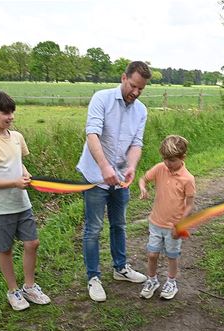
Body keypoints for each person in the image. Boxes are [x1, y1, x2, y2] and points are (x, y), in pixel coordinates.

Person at [76, 61, 152, 302]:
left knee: (119, 224)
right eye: (133, 86)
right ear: (123, 78)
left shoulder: (141, 110)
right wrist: (104, 167)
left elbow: (136, 144)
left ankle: (120, 268)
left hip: (119, 178)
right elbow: (92, 135)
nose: (136, 92)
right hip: (95, 176)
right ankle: (93, 277)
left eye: (141, 89)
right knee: (94, 228)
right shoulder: (102, 99)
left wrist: (131, 167)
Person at [0, 90, 51, 311]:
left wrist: (25, 175)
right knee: (5, 250)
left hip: (21, 202)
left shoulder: (16, 137)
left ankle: (29, 286)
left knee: (32, 243)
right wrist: (14, 183)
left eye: (12, 112)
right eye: (5, 113)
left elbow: (18, 164)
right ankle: (13, 290)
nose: (11, 117)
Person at [138, 135, 196, 300]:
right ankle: (152, 280)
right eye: (165, 159)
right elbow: (143, 178)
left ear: (183, 157)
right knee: (152, 254)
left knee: (172, 256)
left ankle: (171, 282)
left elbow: (190, 204)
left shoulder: (188, 179)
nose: (167, 163)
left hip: (173, 227)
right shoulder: (160, 168)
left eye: (171, 160)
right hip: (156, 223)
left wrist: (180, 224)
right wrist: (143, 188)